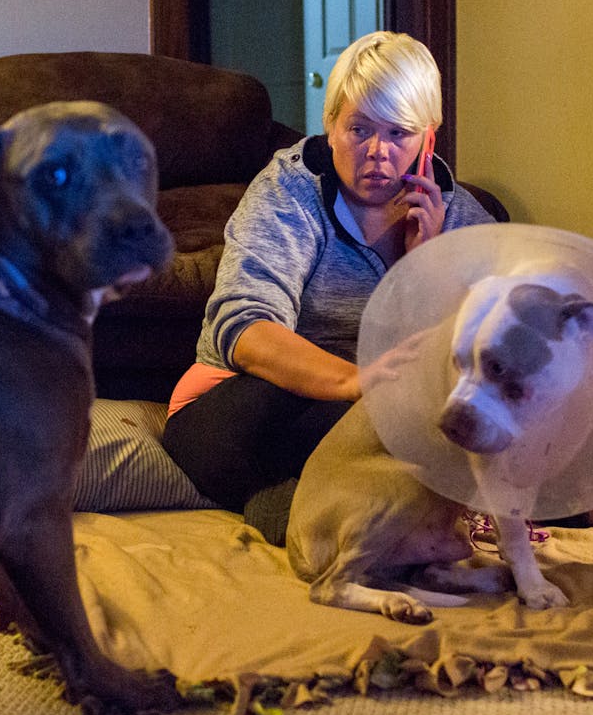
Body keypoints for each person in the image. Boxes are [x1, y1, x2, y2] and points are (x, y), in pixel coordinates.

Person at [160, 31, 495, 518]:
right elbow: (244, 328)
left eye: (399, 133)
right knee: (347, 424)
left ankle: (326, 505)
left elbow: (486, 349)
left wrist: (427, 269)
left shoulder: (457, 213)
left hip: (374, 410)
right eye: (360, 129)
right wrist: (358, 383)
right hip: (242, 398)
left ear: (428, 138)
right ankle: (301, 507)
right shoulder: (290, 189)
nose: (378, 151)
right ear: (330, 125)